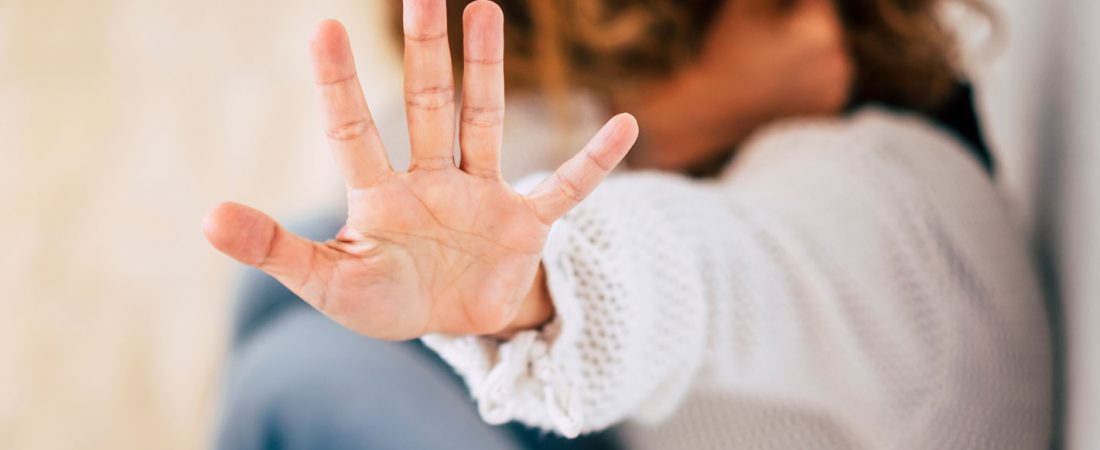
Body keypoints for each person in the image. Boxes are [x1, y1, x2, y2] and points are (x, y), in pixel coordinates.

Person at [204, 0, 1053, 448]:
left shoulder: (884, 196)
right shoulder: (748, 137)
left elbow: (710, 274)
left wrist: (533, 288)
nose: (583, 103)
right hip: (617, 428)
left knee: (299, 381)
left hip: (613, 415)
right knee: (289, 293)